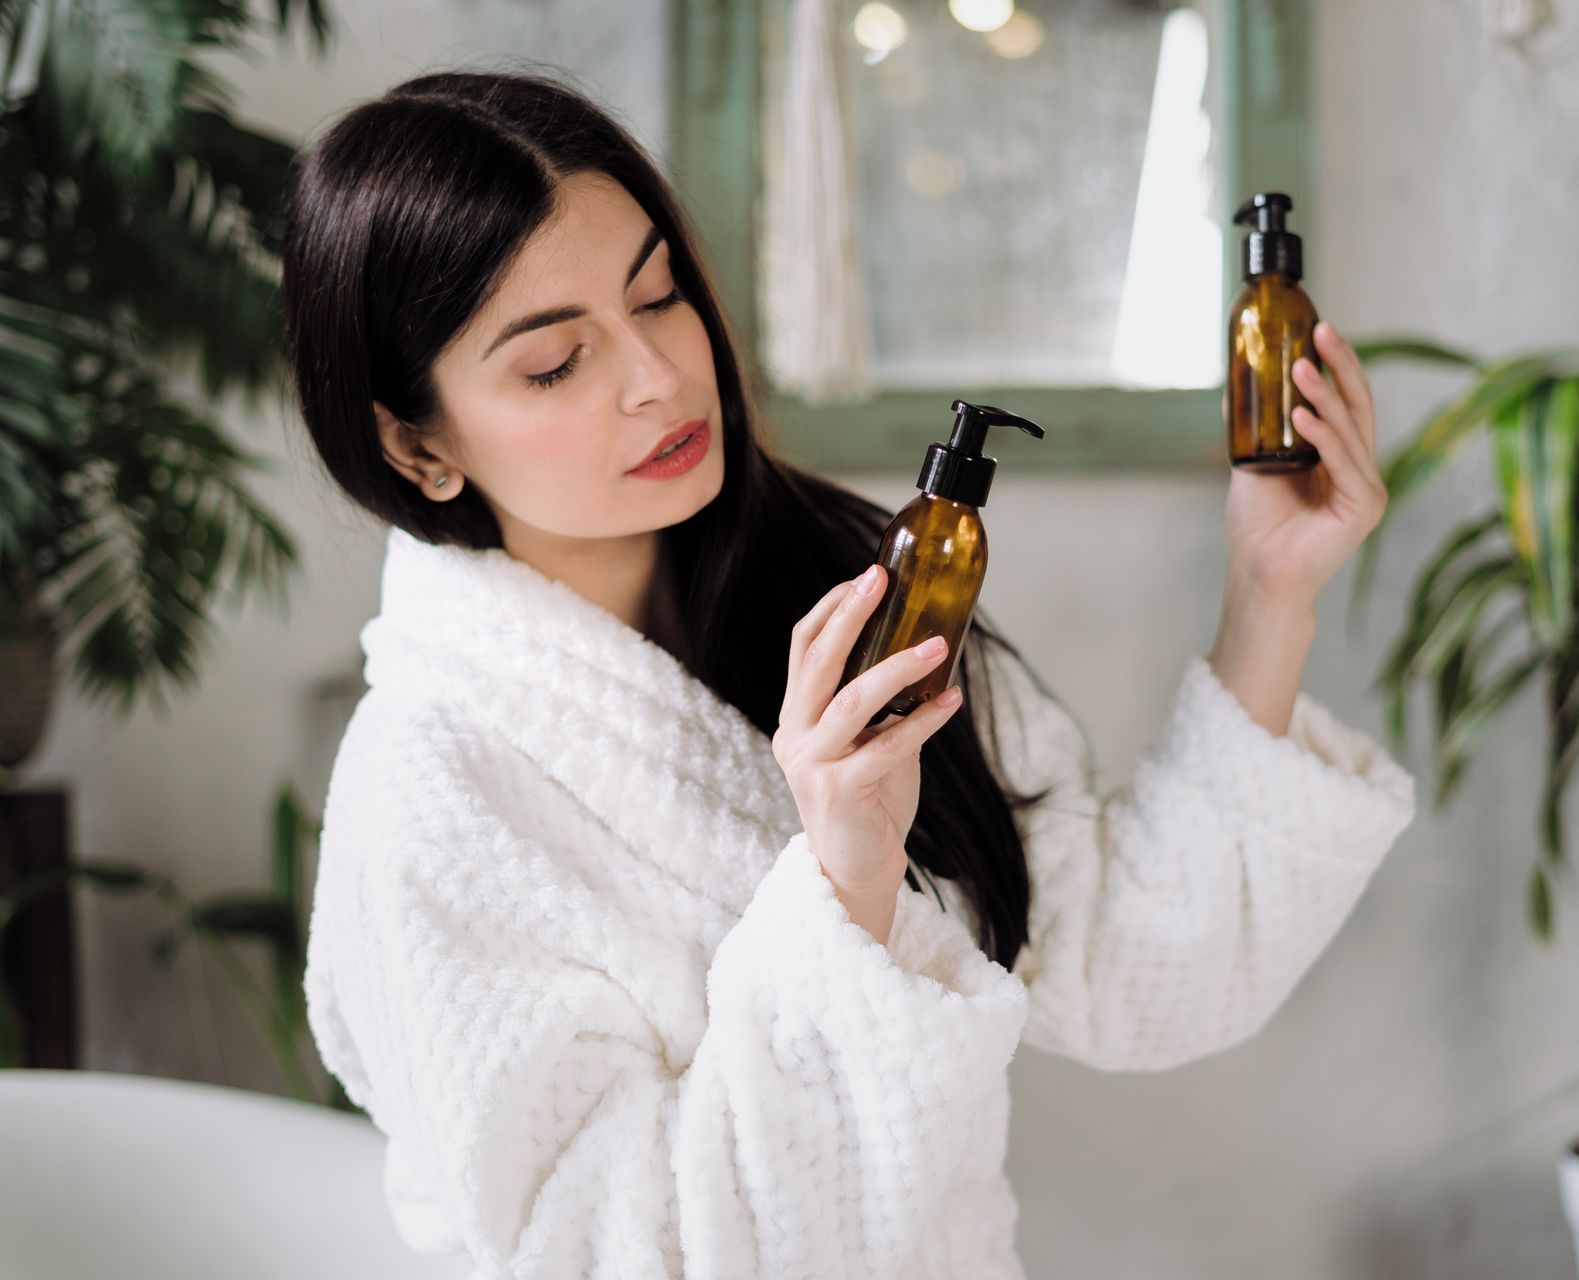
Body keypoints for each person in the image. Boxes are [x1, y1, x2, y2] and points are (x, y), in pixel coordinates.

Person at [286, 68, 1417, 1280]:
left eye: (658, 296)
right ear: (416, 442)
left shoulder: (837, 582)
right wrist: (844, 875)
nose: (660, 375)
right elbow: (619, 1256)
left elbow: (1127, 961)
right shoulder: (429, 791)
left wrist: (1271, 589)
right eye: (557, 362)